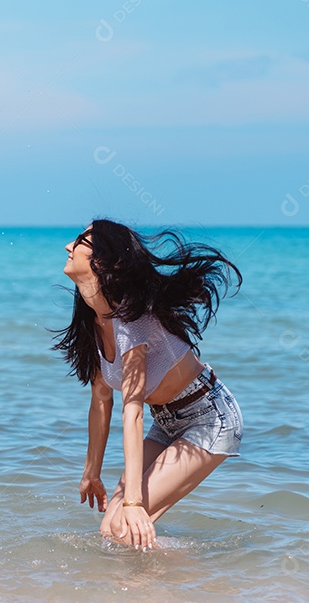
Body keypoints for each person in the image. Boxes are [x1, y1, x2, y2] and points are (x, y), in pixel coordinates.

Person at [53, 219, 243, 550]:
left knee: (125, 527)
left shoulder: (130, 322)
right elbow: (101, 400)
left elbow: (132, 411)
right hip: (167, 421)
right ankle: (162, 587)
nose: (68, 247)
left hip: (209, 417)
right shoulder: (93, 319)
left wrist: (134, 502)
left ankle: (201, 584)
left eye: (79, 242)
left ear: (103, 260)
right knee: (110, 529)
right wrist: (91, 473)